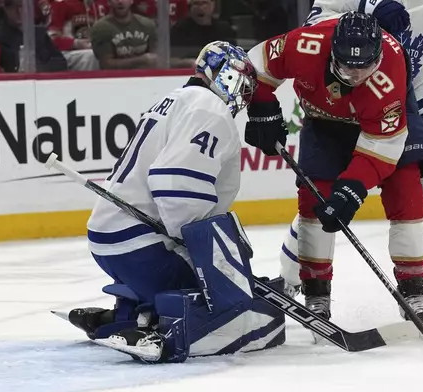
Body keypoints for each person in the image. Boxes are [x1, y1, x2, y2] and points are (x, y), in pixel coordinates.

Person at [280, 0, 423, 330]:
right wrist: (368, 21)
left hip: (414, 104)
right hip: (348, 105)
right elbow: (311, 34)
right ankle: (294, 278)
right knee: (323, 197)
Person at [63, 41, 286, 364]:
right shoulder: (210, 109)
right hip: (144, 250)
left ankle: (129, 315)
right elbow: (175, 185)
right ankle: (166, 331)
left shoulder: (174, 99)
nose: (246, 95)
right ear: (227, 76)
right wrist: (198, 251)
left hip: (109, 243)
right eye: (244, 84)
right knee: (232, 301)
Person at [245, 12, 423, 328]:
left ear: (376, 57)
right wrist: (262, 106)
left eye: (363, 67)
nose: (353, 75)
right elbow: (256, 64)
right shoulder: (306, 45)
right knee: (314, 202)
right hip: (324, 125)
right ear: (332, 50)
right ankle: (316, 292)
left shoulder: (390, 73)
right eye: (346, 66)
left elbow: (382, 147)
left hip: (386, 127)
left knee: (407, 195)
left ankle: (414, 290)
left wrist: (353, 187)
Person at [90, 0, 157, 70]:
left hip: (145, 77)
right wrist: (142, 60)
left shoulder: (148, 25)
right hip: (115, 78)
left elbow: (155, 59)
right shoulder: (101, 28)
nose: (120, 2)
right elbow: (107, 65)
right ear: (109, 2)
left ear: (131, 1)